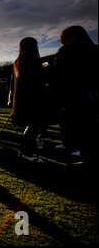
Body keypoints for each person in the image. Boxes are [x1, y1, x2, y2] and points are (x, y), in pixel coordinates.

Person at [50, 26, 99, 164]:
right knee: (91, 128)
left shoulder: (65, 53)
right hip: (94, 96)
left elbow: (57, 79)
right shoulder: (94, 51)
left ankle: (86, 157)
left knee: (80, 129)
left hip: (75, 98)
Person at [9, 37, 45, 162]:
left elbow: (13, 84)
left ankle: (24, 150)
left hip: (22, 100)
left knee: (31, 126)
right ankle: (26, 152)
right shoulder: (32, 61)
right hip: (33, 99)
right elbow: (38, 82)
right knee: (33, 126)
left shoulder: (18, 62)